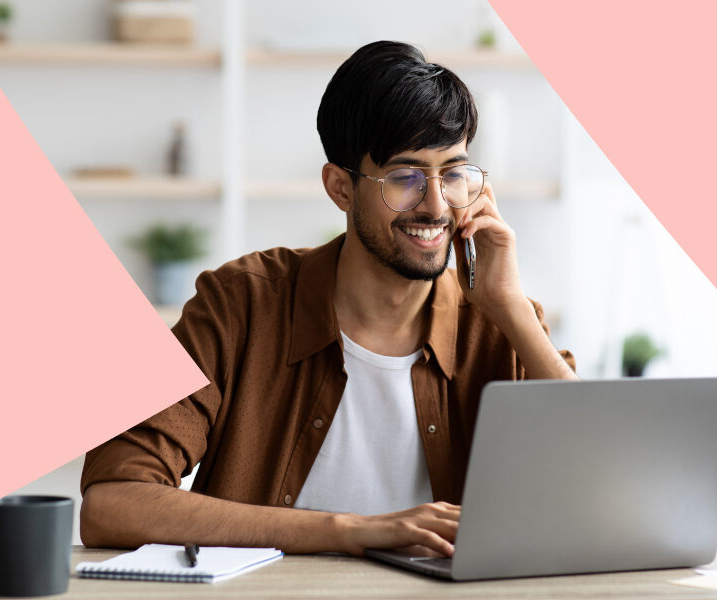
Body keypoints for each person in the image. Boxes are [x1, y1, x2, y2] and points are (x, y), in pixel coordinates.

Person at [80, 40, 577, 558]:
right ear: (340, 187)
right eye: (404, 177)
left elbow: (605, 490)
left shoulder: (500, 319)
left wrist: (512, 309)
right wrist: (346, 531)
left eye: (453, 173)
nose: (436, 204)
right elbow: (112, 503)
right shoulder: (240, 305)